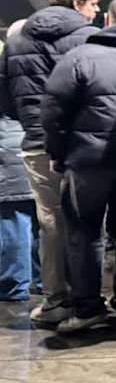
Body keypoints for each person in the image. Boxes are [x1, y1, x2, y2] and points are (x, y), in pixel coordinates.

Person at [41, 0, 116, 333]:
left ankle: (88, 307)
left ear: (107, 19)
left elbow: (54, 112)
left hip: (87, 160)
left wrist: (58, 154)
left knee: (85, 232)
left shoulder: (79, 56)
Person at [0, 0, 101, 324]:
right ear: (78, 3)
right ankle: (89, 297)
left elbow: (7, 99)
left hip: (36, 142)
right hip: (84, 144)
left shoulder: (17, 40)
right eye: (93, 5)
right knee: (89, 222)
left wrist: (32, 122)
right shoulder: (89, 37)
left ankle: (56, 299)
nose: (96, 11)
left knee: (51, 223)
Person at [0, 95, 35, 302]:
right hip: (34, 143)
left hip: (7, 149)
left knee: (13, 221)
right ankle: (44, 284)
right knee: (42, 224)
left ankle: (14, 284)